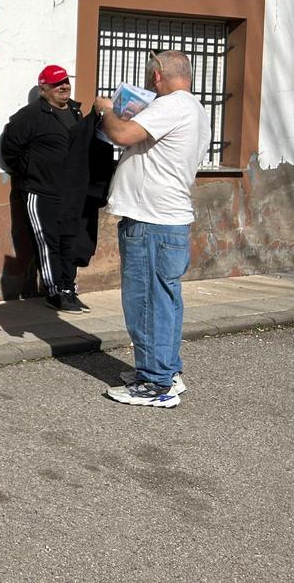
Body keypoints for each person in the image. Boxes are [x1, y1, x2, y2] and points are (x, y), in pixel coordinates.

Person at [95, 51, 210, 408]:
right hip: (167, 221)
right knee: (165, 301)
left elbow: (125, 134)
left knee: (146, 302)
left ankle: (155, 384)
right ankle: (166, 372)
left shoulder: (171, 105)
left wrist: (106, 109)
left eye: (150, 78)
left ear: (158, 75)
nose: (148, 85)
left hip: (152, 222)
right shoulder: (194, 108)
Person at [0, 65, 98, 312]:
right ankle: (54, 292)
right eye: (57, 83)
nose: (64, 86)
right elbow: (10, 150)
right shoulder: (31, 115)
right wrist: (31, 170)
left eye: (65, 81)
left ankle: (68, 288)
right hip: (40, 192)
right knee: (48, 242)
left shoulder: (76, 111)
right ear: (43, 88)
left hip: (69, 193)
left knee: (69, 242)